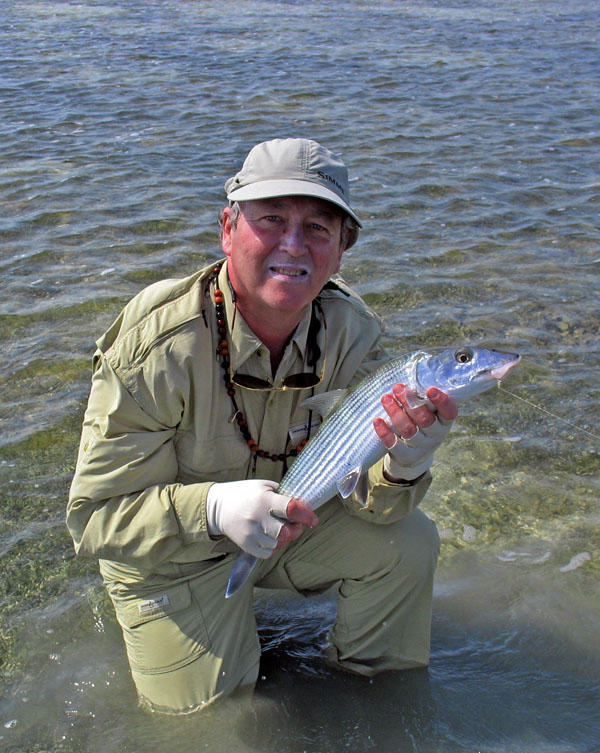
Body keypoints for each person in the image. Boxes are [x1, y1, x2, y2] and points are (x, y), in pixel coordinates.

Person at [67, 137, 458, 715]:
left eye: (319, 228)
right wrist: (214, 510)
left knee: (410, 542)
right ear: (228, 228)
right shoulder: (155, 348)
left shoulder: (354, 331)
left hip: (288, 527)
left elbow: (373, 506)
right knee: (215, 726)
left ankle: (375, 700)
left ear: (343, 248)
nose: (293, 245)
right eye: (271, 219)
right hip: (171, 554)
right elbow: (93, 520)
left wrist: (407, 463)